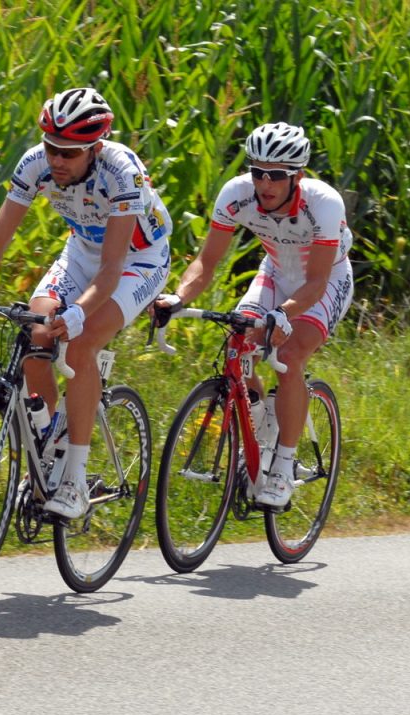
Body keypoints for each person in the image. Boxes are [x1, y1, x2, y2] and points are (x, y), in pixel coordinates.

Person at [0, 87, 172, 520]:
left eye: (69, 153)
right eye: (52, 147)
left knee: (83, 342)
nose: (56, 160)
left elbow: (111, 270)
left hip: (137, 259)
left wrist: (78, 313)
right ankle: (49, 446)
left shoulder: (122, 171)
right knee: (37, 332)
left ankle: (74, 478)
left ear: (96, 147)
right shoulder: (34, 165)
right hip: (82, 251)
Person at [154, 122, 353, 511]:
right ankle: (262, 419)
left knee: (290, 356)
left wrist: (283, 314)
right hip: (276, 271)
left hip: (325, 279)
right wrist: (177, 297)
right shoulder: (236, 194)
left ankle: (282, 465)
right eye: (257, 171)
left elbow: (314, 282)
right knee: (237, 343)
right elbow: (206, 263)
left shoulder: (324, 203)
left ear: (298, 176)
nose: (265, 183)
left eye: (276, 175)